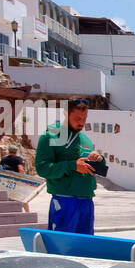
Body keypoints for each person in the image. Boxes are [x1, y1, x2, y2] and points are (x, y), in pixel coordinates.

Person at [34, 98, 103, 235]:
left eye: (84, 118)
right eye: (77, 118)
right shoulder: (50, 136)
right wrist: (72, 165)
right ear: (66, 114)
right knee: (62, 245)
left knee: (84, 248)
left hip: (86, 201)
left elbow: (94, 169)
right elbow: (42, 168)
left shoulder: (85, 139)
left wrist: (100, 160)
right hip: (64, 201)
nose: (81, 122)